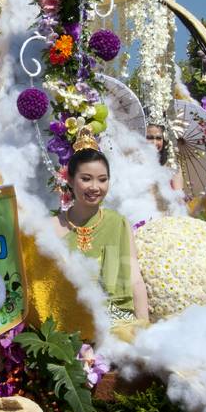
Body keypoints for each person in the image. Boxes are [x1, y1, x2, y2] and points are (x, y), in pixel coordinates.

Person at [53, 133, 149, 337]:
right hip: (70, 326)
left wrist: (144, 329)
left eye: (102, 179)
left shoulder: (118, 223)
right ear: (69, 179)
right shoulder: (52, 227)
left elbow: (134, 279)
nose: (95, 187)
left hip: (118, 322)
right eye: (86, 179)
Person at [146, 122, 183, 191]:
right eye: (149, 138)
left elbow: (179, 194)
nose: (154, 142)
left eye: (158, 138)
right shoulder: (131, 160)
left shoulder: (172, 163)